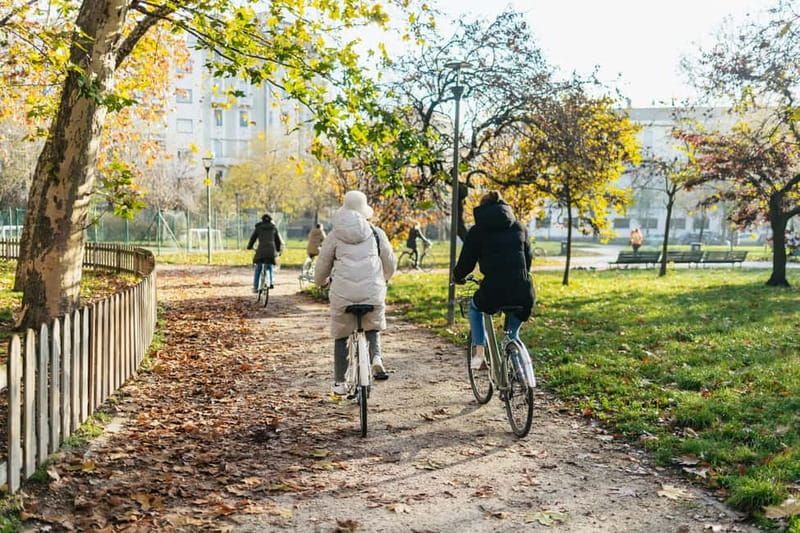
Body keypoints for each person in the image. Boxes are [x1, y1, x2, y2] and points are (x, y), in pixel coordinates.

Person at [315, 191, 396, 395]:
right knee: (373, 324)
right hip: (372, 292)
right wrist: (384, 278)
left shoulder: (334, 235)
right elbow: (390, 263)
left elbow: (322, 266)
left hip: (343, 295)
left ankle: (340, 383)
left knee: (341, 334)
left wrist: (321, 282)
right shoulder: (376, 233)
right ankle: (376, 356)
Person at [453, 191, 534, 370]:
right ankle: (521, 375)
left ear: (482, 209)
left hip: (494, 290)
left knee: (475, 307)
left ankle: (480, 355)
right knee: (512, 334)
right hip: (523, 290)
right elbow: (528, 260)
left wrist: (457, 277)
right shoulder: (520, 227)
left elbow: (466, 263)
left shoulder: (478, 231)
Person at [247, 214, 283, 292]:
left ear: (262, 220)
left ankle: (255, 287)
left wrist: (249, 246)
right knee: (269, 266)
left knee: (258, 268)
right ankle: (271, 282)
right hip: (271, 250)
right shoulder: (274, 228)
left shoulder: (258, 227)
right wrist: (277, 250)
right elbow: (277, 241)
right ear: (270, 220)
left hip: (261, 250)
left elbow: (253, 238)